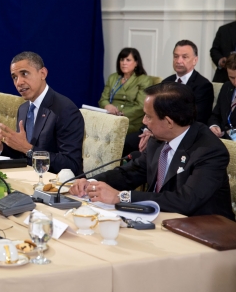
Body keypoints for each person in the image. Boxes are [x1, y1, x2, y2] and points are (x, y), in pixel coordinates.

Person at [70, 83, 234, 220]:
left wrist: (122, 197)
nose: (144, 121)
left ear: (169, 121)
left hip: (204, 232)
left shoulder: (209, 151)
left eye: (149, 116)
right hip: (160, 221)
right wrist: (91, 183)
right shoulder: (158, 140)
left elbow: (186, 201)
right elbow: (130, 173)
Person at [0, 51, 84, 174]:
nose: (19, 82)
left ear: (43, 73)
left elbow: (71, 165)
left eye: (24, 74)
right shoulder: (23, 109)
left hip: (56, 185)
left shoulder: (65, 110)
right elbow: (23, 156)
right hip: (28, 179)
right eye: (14, 77)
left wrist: (28, 148)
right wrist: (0, 146)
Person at [123, 40, 214, 154]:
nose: (179, 61)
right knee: (126, 142)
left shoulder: (203, 85)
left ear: (195, 60)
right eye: (176, 56)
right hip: (154, 130)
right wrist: (147, 129)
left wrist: (157, 132)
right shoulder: (167, 82)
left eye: (184, 57)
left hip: (180, 136)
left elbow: (197, 118)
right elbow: (152, 110)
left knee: (153, 148)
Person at [98, 48, 152, 134]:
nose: (124, 63)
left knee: (109, 131)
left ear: (136, 63)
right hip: (109, 117)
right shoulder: (113, 77)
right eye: (122, 59)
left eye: (128, 60)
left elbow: (141, 106)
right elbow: (103, 99)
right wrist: (107, 106)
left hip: (130, 121)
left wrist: (120, 114)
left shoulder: (143, 80)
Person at [208, 53, 236, 139]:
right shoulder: (226, 87)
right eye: (231, 77)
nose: (235, 82)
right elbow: (215, 115)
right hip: (222, 140)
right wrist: (214, 126)